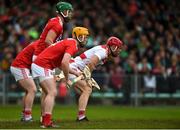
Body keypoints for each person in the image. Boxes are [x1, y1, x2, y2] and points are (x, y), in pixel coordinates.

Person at [10, 1, 74, 122]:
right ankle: (39, 117)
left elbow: (46, 40)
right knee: (43, 90)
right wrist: (58, 52)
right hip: (39, 58)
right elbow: (49, 41)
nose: (69, 14)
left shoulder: (55, 21)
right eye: (67, 11)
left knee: (44, 90)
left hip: (38, 57)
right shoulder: (57, 24)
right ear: (62, 12)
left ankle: (40, 116)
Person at [31, 27, 89, 128]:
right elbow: (64, 63)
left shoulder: (69, 42)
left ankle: (45, 119)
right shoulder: (73, 44)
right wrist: (67, 79)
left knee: (48, 92)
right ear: (76, 36)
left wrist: (75, 73)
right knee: (52, 92)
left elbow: (61, 64)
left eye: (86, 37)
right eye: (82, 36)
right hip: (43, 65)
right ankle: (46, 122)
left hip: (41, 64)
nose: (84, 39)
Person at [68, 36, 124, 121]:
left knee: (86, 89)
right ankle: (81, 116)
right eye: (117, 48)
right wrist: (88, 78)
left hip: (75, 67)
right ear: (112, 46)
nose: (119, 50)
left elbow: (90, 65)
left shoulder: (104, 51)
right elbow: (91, 64)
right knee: (87, 89)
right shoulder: (103, 52)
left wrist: (88, 77)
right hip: (73, 68)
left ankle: (80, 115)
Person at [10, 40, 39, 122]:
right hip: (20, 66)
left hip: (20, 66)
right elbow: (36, 61)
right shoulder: (39, 45)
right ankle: (27, 116)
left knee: (28, 91)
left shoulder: (38, 43)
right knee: (32, 90)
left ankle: (25, 115)